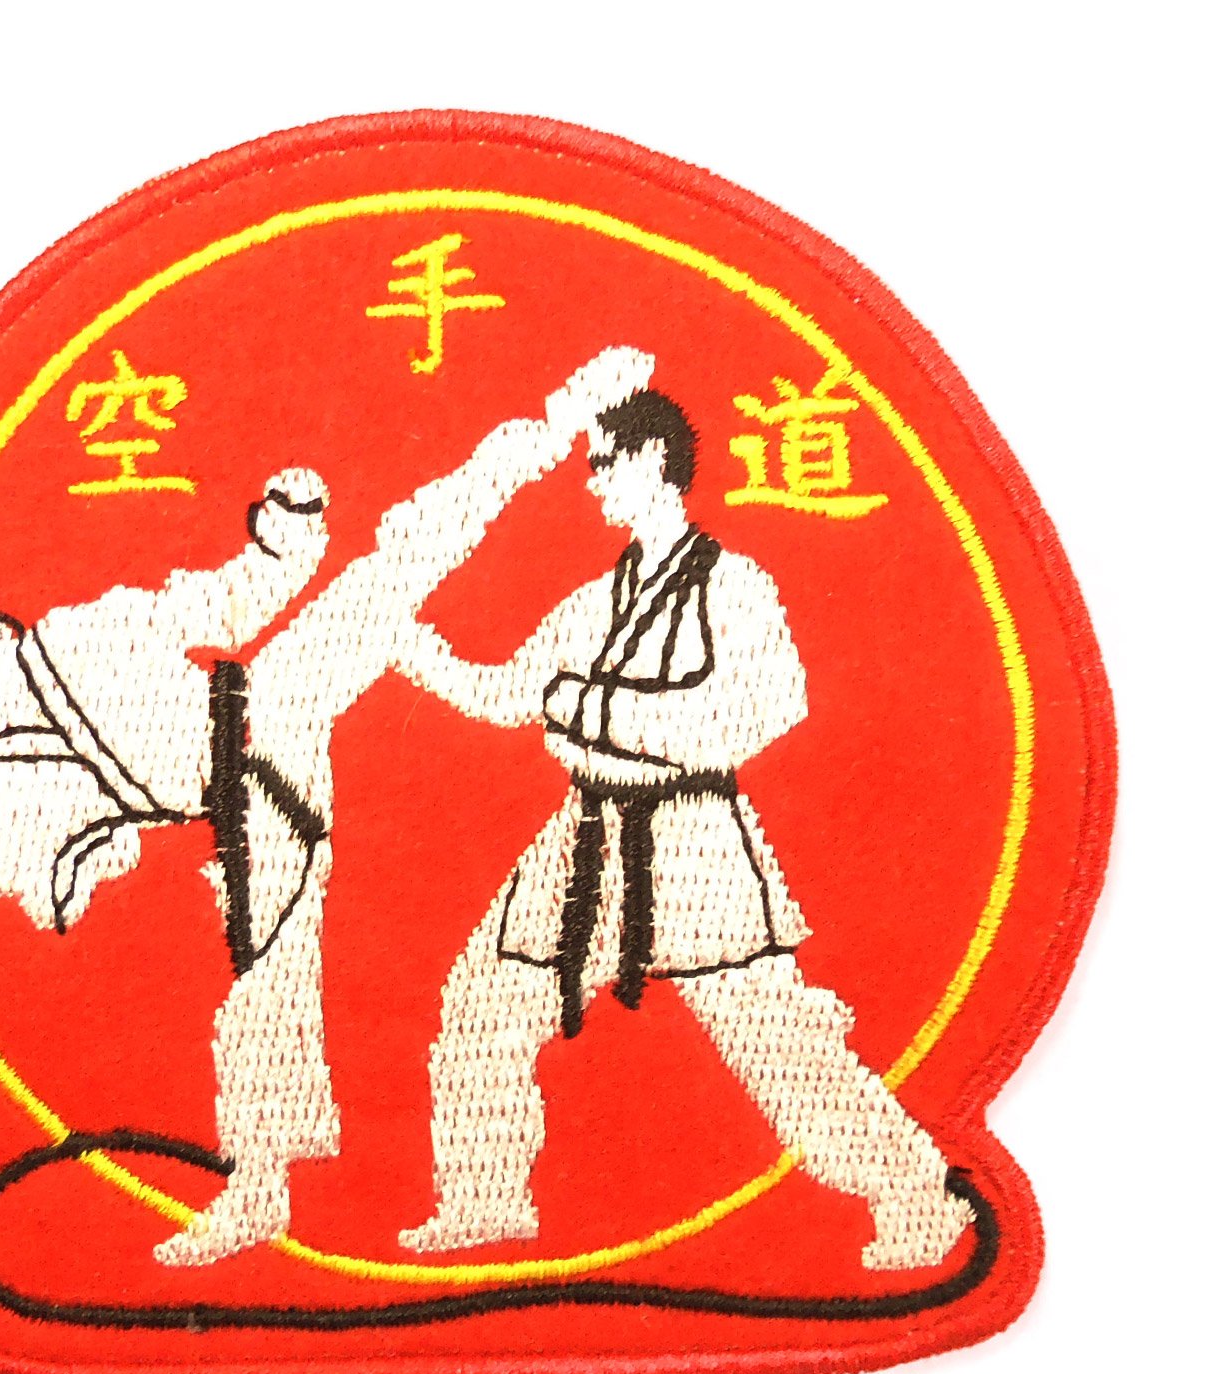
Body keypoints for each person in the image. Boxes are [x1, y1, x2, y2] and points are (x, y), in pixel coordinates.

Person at [394, 386, 974, 1272]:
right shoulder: (597, 598)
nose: (592, 482)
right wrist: (414, 650)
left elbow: (758, 708)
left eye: (604, 463)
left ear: (653, 461)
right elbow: (511, 691)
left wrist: (585, 706)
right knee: (484, 1006)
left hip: (693, 840)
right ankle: (483, 1201)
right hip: (584, 836)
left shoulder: (735, 584)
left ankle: (915, 1198)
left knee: (778, 1041)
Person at [151, 346, 658, 1265]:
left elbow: (476, 493)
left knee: (269, 986)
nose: (295, 513)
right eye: (279, 506)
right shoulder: (216, 597)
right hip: (220, 769)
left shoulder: (378, 577)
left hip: (284, 792)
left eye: (308, 505)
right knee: (259, 987)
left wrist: (569, 410)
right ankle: (265, 1182)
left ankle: (264, 1183)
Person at [0, 470, 331, 934]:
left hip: (233, 804)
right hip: (256, 736)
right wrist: (285, 547)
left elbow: (74, 887)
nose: (1, 621)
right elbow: (216, 608)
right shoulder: (65, 638)